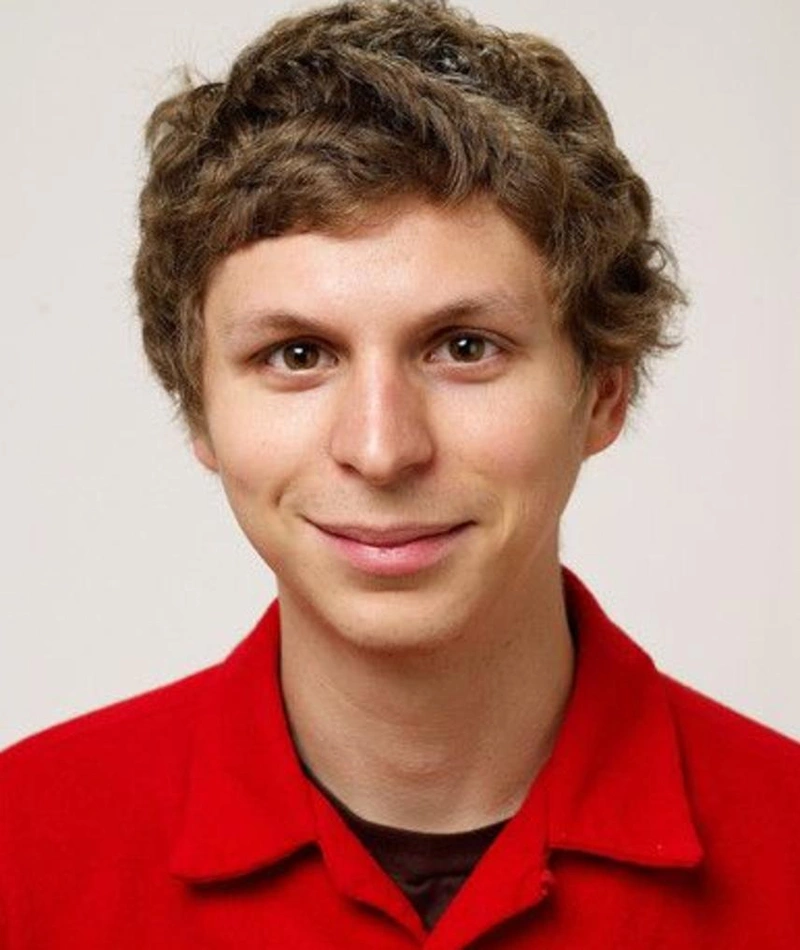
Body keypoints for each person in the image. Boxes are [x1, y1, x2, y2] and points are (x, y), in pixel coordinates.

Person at [1, 0, 798, 946]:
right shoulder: (23, 852)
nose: (381, 450)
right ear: (198, 407)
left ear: (604, 392)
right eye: (298, 355)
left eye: (464, 347)